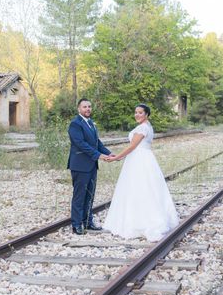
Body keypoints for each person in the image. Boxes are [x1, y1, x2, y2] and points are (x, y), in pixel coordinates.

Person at [103, 104, 179, 241]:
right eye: (136, 112)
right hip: (144, 159)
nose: (137, 115)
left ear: (146, 115)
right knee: (145, 189)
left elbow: (132, 146)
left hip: (139, 160)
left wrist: (116, 157)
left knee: (139, 188)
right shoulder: (148, 126)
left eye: (140, 113)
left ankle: (142, 222)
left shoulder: (143, 128)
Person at [67, 98, 114, 235]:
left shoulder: (91, 124)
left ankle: (88, 222)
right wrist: (99, 156)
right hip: (80, 165)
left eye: (89, 106)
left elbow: (96, 143)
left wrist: (109, 153)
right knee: (79, 196)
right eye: (84, 107)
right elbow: (81, 144)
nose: (87, 109)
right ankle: (76, 225)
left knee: (90, 195)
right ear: (79, 109)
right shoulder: (75, 124)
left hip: (92, 165)